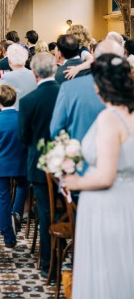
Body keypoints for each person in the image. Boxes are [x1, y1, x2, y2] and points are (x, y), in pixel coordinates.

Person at [62, 54, 134, 299]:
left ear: (102, 85)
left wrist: (73, 181)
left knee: (104, 269)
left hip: (106, 204)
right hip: (128, 201)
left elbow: (105, 176)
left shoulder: (109, 119)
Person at [18, 52, 60, 278]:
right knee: (67, 212)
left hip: (39, 165)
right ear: (55, 69)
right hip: (67, 162)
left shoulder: (28, 101)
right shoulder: (66, 94)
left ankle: (48, 265)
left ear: (34, 73)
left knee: (45, 214)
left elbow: (23, 137)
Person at [50, 38, 124, 143]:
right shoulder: (127, 87)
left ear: (93, 56)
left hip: (79, 150)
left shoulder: (68, 87)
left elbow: (56, 129)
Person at [0, 85, 29, 249]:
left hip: (1, 165)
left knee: (3, 200)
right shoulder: (22, 118)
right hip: (20, 162)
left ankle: (8, 236)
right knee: (23, 186)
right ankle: (17, 213)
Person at [0, 44, 37, 110]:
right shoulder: (34, 75)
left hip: (14, 114)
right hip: (31, 113)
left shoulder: (7, 77)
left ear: (9, 61)